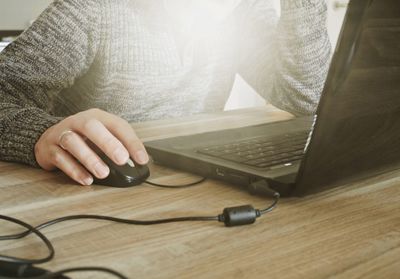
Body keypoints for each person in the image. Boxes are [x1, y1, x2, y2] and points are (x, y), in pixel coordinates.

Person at [0, 0, 331, 186]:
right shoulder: (93, 9)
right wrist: (39, 134)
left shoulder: (240, 14)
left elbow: (304, 97)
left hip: (191, 191)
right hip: (90, 199)